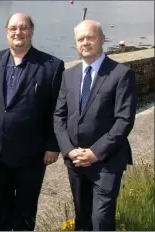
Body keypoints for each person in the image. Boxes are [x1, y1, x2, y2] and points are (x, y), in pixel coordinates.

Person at [0, 13, 65, 231]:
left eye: (23, 28)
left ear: (32, 30)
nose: (18, 32)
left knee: (26, 211)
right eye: (13, 28)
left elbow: (58, 109)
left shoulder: (52, 66)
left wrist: (53, 146)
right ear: (7, 32)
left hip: (32, 154)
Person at [53, 19, 137, 231]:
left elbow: (124, 120)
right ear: (75, 43)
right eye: (80, 39)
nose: (85, 42)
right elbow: (59, 117)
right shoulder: (68, 75)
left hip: (107, 162)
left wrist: (95, 152)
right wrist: (69, 151)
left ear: (102, 38)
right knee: (82, 219)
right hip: (76, 162)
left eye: (90, 37)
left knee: (102, 220)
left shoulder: (120, 74)